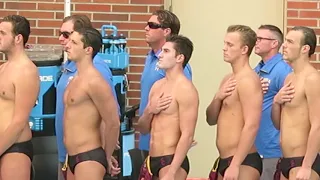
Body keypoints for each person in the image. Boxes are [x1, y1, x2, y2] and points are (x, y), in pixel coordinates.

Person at [55, 14, 119, 180]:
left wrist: (107, 154)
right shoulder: (74, 77)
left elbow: (112, 122)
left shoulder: (96, 80)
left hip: (89, 156)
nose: (67, 45)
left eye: (74, 42)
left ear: (88, 50)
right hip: (71, 156)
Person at [136, 34, 198, 180]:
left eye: (166, 51)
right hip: (152, 159)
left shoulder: (185, 89)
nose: (161, 55)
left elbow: (187, 135)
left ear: (179, 58)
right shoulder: (157, 86)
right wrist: (150, 110)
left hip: (171, 161)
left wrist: (171, 172)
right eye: (162, 51)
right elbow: (143, 128)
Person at [206, 25, 263, 180]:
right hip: (224, 159)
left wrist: (236, 164)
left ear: (244, 49)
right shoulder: (228, 79)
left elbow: (252, 125)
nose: (224, 48)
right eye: (224, 43)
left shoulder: (248, 80)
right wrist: (218, 97)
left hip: (243, 161)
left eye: (230, 45)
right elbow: (210, 120)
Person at [138, 10, 192, 151]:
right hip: (147, 140)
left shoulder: (175, 63)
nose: (146, 28)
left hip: (167, 148)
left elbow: (184, 106)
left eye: (152, 25)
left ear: (166, 31)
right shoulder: (150, 58)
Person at [271, 26, 320, 180]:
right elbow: (279, 124)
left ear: (305, 48)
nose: (284, 45)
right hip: (285, 160)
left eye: (290, 42)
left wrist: (306, 166)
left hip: (303, 161)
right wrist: (276, 102)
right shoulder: (289, 78)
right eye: (285, 40)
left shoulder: (312, 79)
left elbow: (317, 125)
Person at [0, 15, 39, 180]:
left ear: (18, 38)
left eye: (2, 33)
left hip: (14, 148)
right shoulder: (4, 68)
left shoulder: (26, 71)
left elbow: (18, 122)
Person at [253, 24, 292, 180]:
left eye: (261, 38)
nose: (256, 41)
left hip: (271, 149)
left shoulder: (283, 70)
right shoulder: (257, 69)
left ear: (274, 43)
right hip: (254, 148)